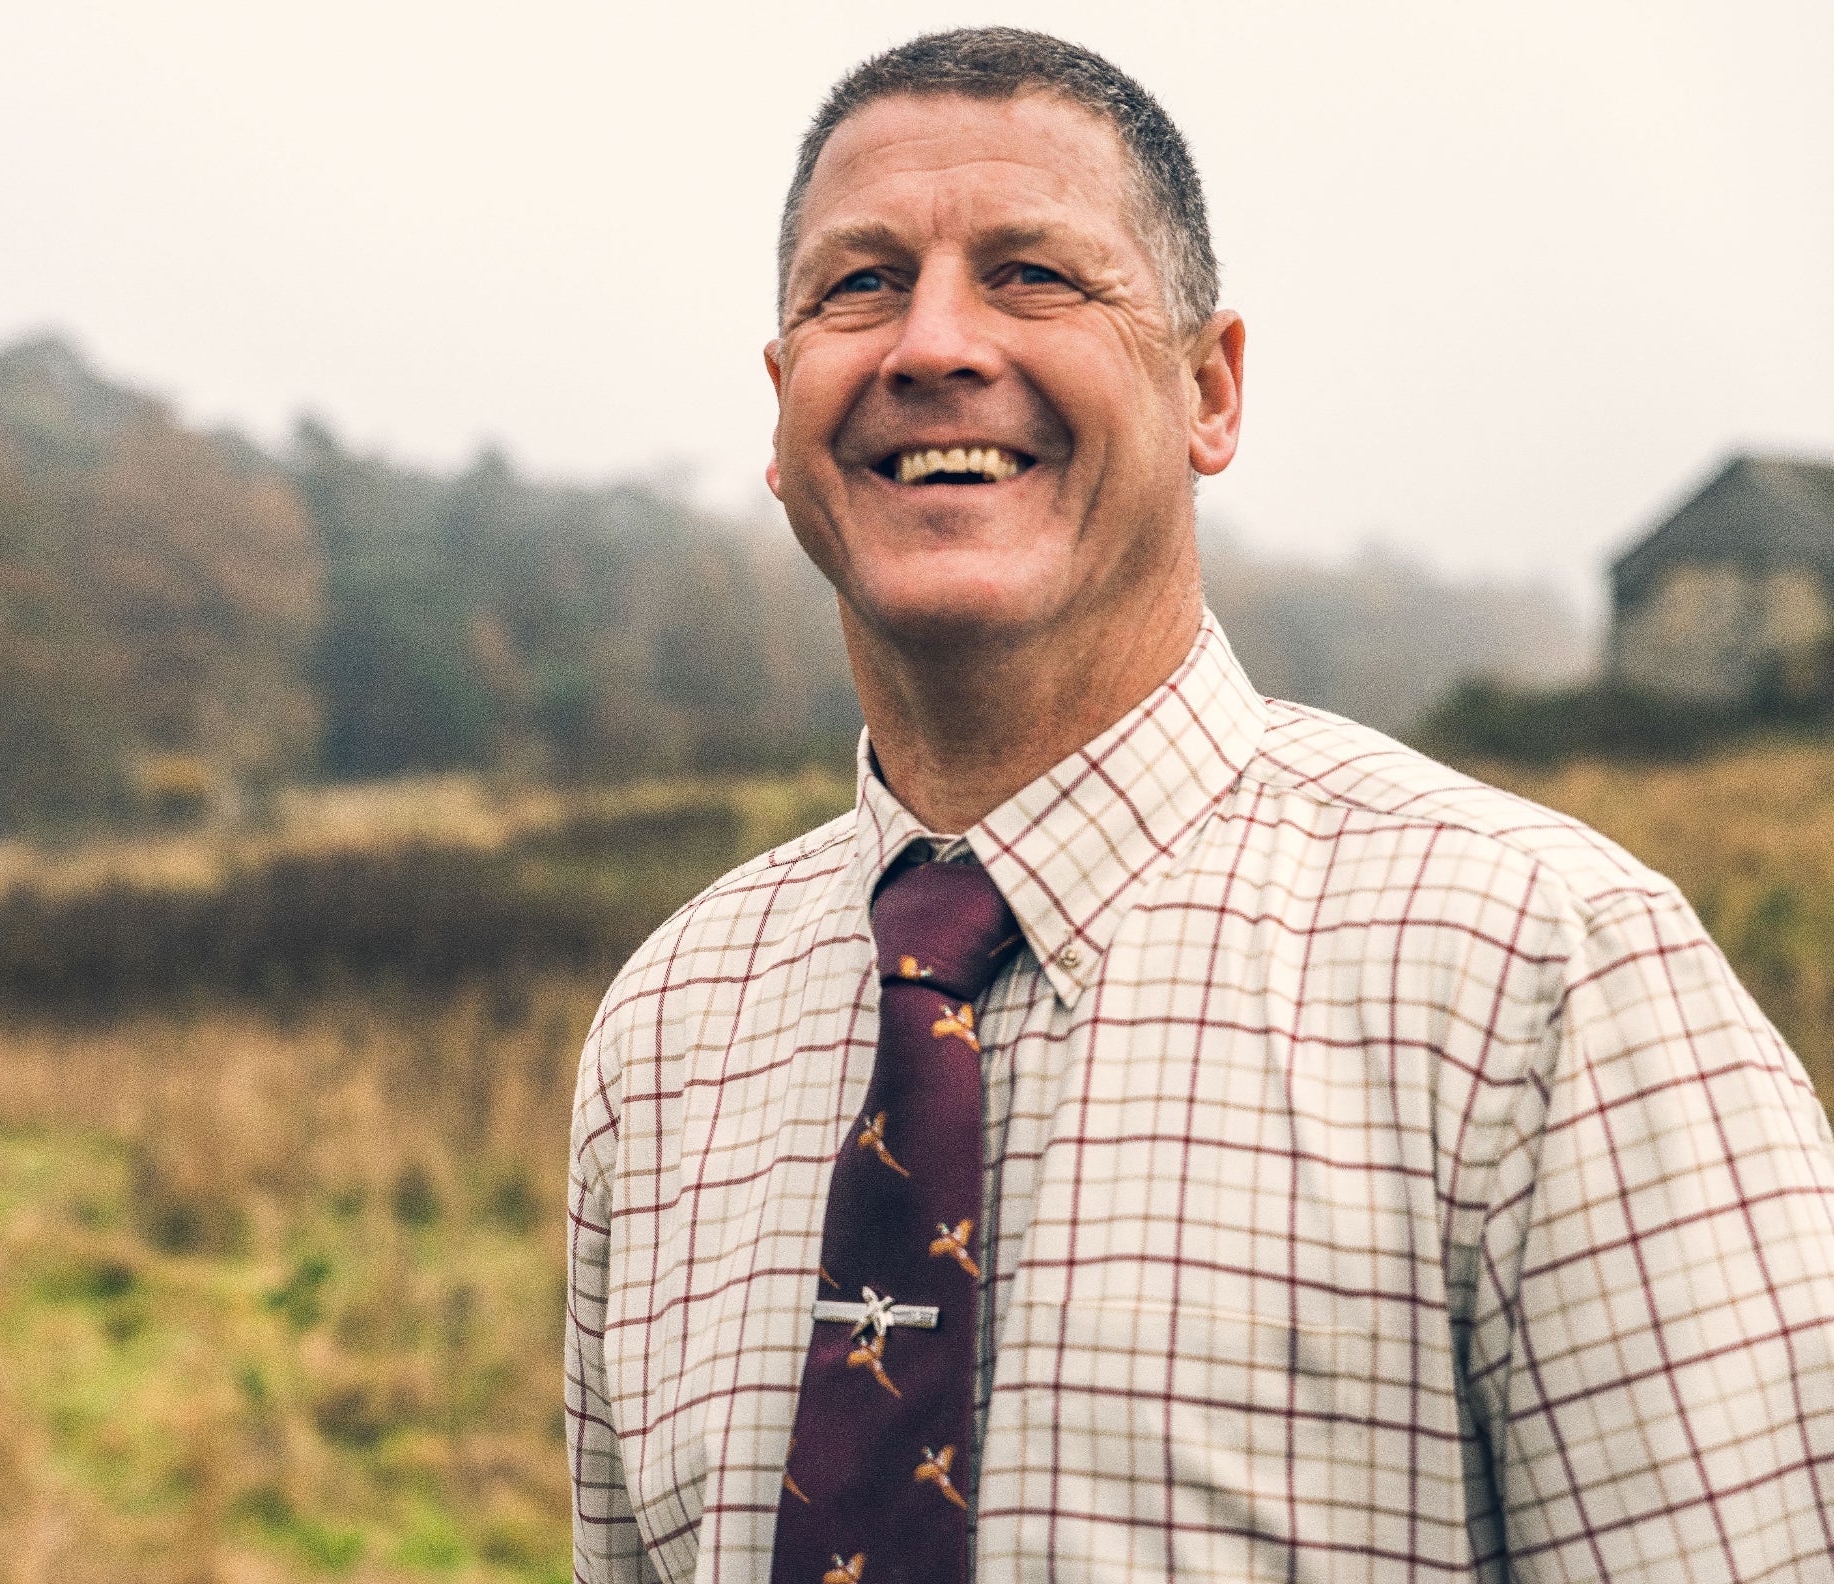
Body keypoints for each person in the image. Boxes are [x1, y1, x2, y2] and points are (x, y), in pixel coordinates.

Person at [565, 26, 1834, 1584]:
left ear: (1208, 390)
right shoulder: (666, 1035)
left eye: (1033, 272)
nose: (930, 343)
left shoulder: (1539, 980)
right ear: (780, 410)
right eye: (859, 283)